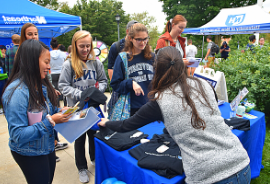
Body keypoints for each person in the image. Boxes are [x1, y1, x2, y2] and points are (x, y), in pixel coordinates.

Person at [98, 46, 251, 184]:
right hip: (241, 162)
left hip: (210, 176)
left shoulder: (159, 102)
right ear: (182, 64)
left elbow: (126, 125)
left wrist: (107, 123)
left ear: (156, 69)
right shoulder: (203, 84)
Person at [2, 39, 71, 184]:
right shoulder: (17, 93)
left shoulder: (40, 85)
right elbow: (18, 135)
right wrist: (51, 121)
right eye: (46, 62)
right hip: (29, 153)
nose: (49, 66)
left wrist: (61, 111)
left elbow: (47, 111)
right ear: (32, 61)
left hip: (47, 147)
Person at [58, 30, 107, 183]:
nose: (85, 49)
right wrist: (80, 94)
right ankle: (81, 168)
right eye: (81, 46)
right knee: (79, 140)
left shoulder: (96, 63)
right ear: (75, 45)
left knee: (94, 136)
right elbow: (62, 85)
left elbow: (104, 81)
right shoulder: (68, 64)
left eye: (88, 46)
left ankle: (94, 159)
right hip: (76, 111)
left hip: (92, 109)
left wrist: (96, 92)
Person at [110, 23, 154, 116]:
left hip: (151, 106)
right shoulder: (123, 58)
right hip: (132, 109)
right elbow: (115, 84)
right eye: (138, 39)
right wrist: (131, 83)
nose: (142, 42)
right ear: (130, 38)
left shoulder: (152, 56)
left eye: (145, 39)